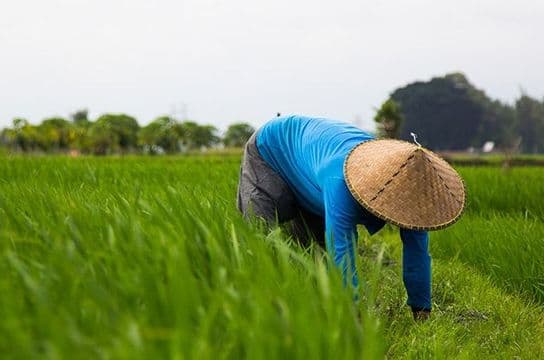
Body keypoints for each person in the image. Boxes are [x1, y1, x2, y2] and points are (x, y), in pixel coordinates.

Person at [237, 115, 465, 320]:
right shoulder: (342, 180)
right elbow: (342, 246)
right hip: (272, 149)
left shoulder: (411, 188)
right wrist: (353, 312)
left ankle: (312, 304)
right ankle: (261, 305)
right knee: (260, 238)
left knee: (313, 257)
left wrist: (421, 309)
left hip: (312, 162)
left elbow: (417, 250)